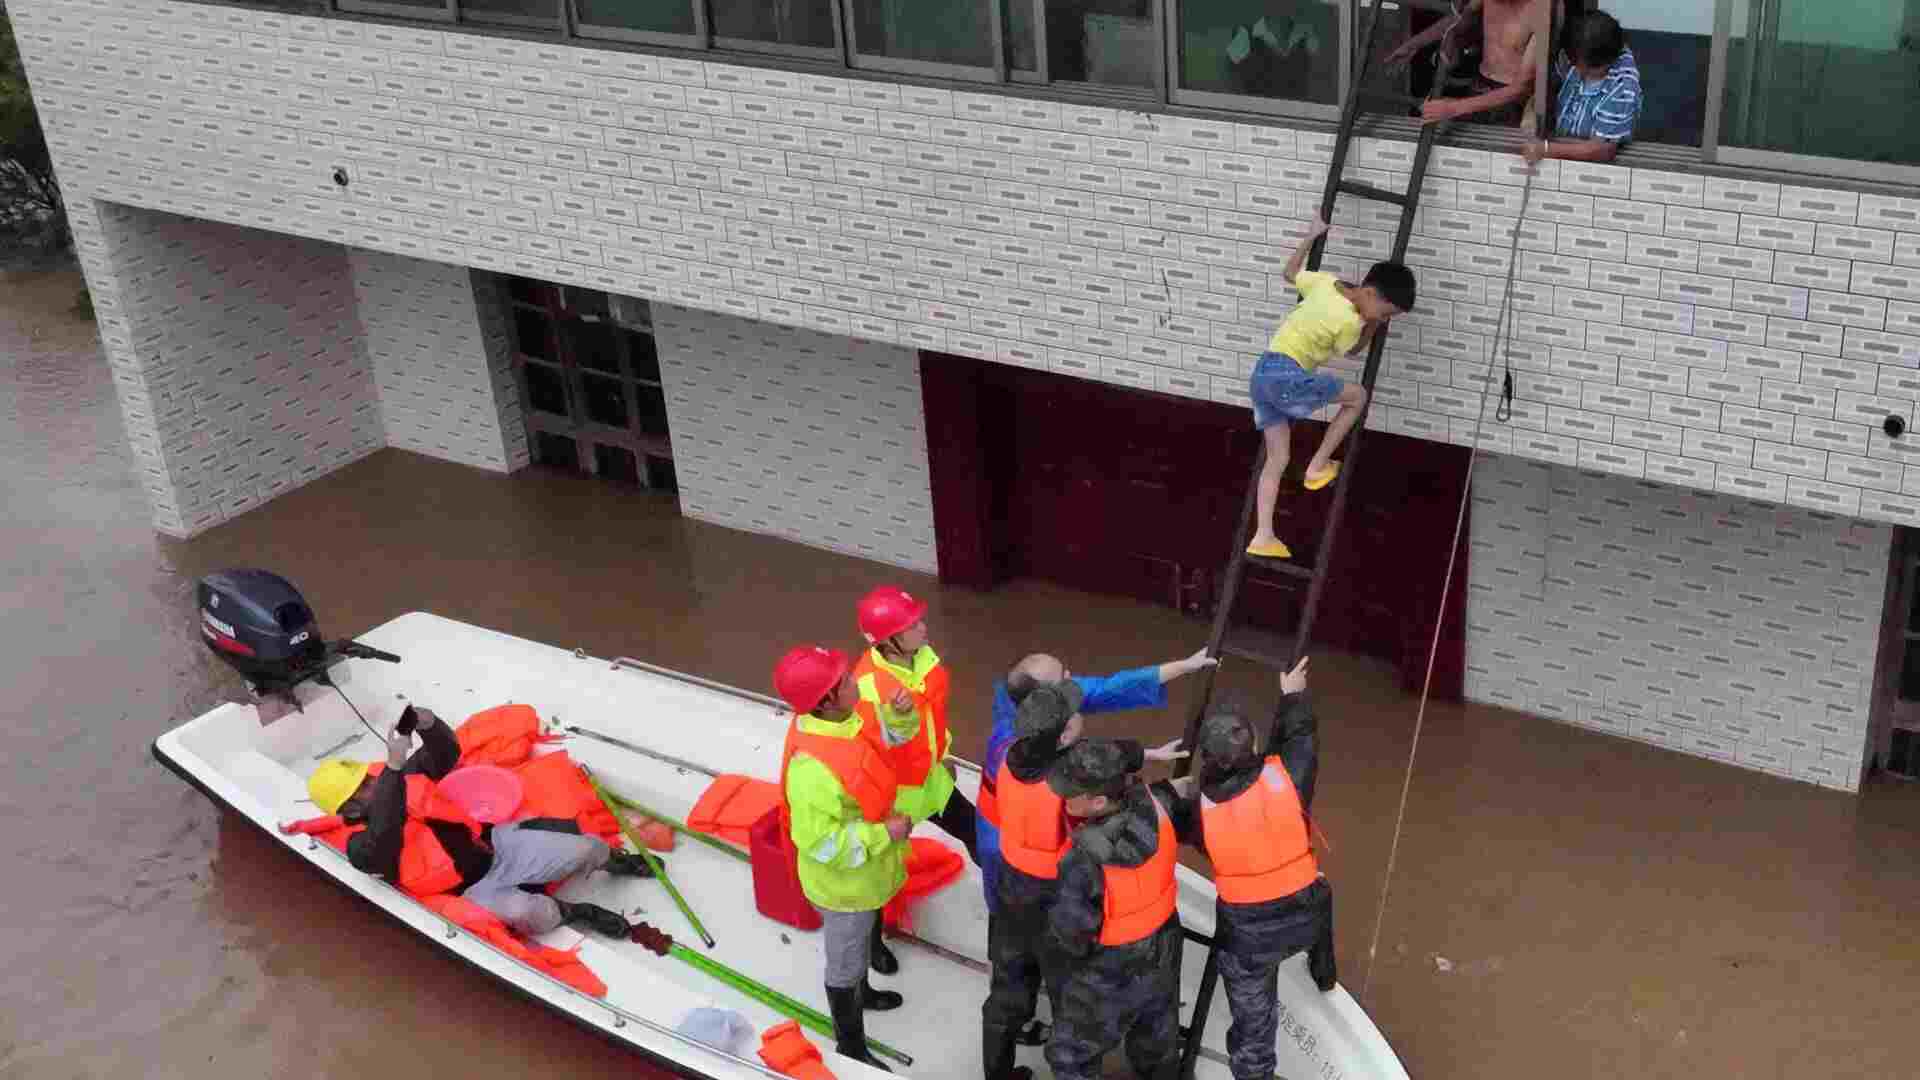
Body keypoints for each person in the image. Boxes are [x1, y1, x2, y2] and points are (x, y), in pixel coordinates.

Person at [981, 684, 1188, 1080]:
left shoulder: (1007, 758)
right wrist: (1157, 775)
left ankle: (997, 1072)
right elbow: (1106, 772)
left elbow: (1101, 760)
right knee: (1069, 1001)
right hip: (1056, 897)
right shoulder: (1071, 796)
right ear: (1062, 737)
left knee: (1007, 991)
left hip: (1011, 890)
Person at [301, 706, 648, 938]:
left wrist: (428, 723)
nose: (372, 785)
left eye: (367, 778)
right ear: (347, 812)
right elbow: (387, 830)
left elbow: (446, 753)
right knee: (533, 914)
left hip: (498, 847)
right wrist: (392, 770)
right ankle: (577, 911)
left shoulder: (400, 778)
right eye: (360, 790)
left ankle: (622, 863)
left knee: (588, 846)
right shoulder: (361, 849)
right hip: (472, 890)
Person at [1153, 658, 1338, 1080]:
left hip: (1248, 937)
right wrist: (1292, 693)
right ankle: (1324, 971)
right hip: (1306, 912)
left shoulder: (1196, 810)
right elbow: (1302, 736)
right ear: (1253, 744)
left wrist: (1170, 789)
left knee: (1254, 1034)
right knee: (1323, 893)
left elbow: (1164, 816)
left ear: (1209, 760)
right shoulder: (1289, 777)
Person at [977, 647, 1217, 911]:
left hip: (1041, 832)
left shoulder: (1033, 700)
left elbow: (1109, 689)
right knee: (1004, 892)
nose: (1072, 678)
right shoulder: (1016, 753)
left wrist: (1183, 666)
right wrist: (1159, 780)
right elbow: (1089, 769)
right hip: (1002, 828)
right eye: (1064, 679)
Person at [774, 645, 913, 1072]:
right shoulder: (811, 768)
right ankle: (851, 1044)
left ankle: (865, 992)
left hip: (868, 874)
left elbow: (892, 741)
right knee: (844, 964)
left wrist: (901, 715)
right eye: (846, 680)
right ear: (828, 699)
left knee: (865, 932)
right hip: (844, 888)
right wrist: (882, 835)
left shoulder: (851, 719)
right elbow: (819, 843)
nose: (856, 679)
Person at [1245, 215, 1415, 559]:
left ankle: (1263, 535)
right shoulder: (1351, 322)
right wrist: (1371, 328)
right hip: (1286, 376)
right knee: (1357, 397)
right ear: (1369, 293)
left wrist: (1311, 236)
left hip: (1262, 373)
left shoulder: (1326, 283)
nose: (1382, 320)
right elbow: (1352, 351)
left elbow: (1290, 273)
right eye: (1385, 313)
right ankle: (1317, 465)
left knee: (1277, 458)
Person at [1043, 737, 1185, 1080]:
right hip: (1164, 945)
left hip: (1112, 968)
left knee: (1069, 1056)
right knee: (1158, 1040)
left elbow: (1072, 935)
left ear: (1099, 802)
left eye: (1072, 793)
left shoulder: (1082, 859)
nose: (1062, 798)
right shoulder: (1158, 802)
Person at [851, 585, 978, 864]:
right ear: (888, 640)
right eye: (912, 625)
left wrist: (943, 757)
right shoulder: (869, 689)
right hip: (896, 798)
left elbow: (935, 717)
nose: (923, 628)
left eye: (919, 621)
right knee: (883, 869)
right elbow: (872, 751)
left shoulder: (923, 660)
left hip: (931, 781)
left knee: (979, 835)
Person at [1388, 0, 1554, 128]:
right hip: (1479, 86)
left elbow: (1522, 87)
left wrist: (1454, 108)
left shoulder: (1543, 9)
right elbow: (1458, 19)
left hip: (1515, 103)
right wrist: (1414, 44)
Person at [1523, 11, 1641, 164]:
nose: (1576, 70)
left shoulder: (1623, 88)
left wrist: (1546, 149)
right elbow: (1550, 86)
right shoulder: (1577, 50)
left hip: (1590, 161)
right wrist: (1533, 111)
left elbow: (1603, 150)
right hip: (1563, 140)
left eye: (1579, 66)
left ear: (1603, 64)